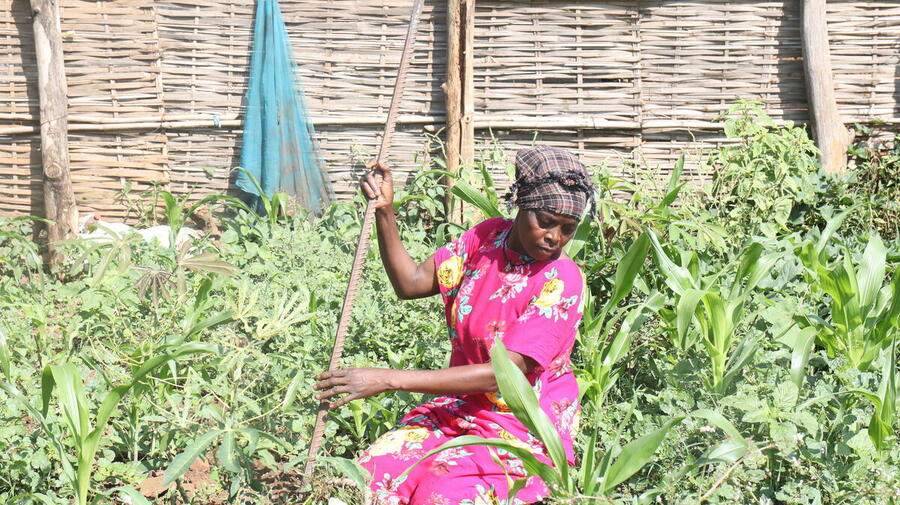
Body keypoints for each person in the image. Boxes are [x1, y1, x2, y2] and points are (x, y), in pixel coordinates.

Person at [314, 145, 596, 504]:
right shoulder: (487, 238)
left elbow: (503, 374)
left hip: (521, 426)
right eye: (545, 221)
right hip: (459, 408)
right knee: (366, 479)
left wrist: (387, 379)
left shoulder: (561, 279)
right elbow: (411, 283)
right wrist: (386, 211)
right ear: (521, 204)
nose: (554, 237)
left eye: (567, 229)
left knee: (440, 494)